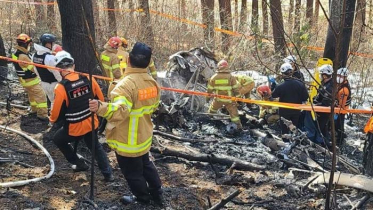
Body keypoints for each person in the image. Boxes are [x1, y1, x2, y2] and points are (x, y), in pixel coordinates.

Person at [89, 42, 163, 205]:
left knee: (133, 173)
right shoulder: (152, 83)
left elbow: (119, 111)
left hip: (128, 140)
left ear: (128, 59)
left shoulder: (125, 85)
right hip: (144, 136)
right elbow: (153, 106)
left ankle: (143, 199)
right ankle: (157, 194)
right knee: (146, 165)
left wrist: (100, 107)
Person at [50, 51, 113, 182]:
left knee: (57, 139)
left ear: (59, 69)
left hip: (74, 128)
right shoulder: (89, 78)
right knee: (96, 148)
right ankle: (108, 174)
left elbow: (55, 115)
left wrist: (52, 119)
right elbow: (100, 99)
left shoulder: (61, 88)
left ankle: (78, 163)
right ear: (73, 65)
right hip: (91, 123)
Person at [11, 34, 48, 121]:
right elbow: (34, 69)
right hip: (31, 81)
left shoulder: (16, 53)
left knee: (32, 96)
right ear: (25, 44)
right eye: (29, 44)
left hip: (24, 81)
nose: (29, 45)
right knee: (41, 97)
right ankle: (42, 115)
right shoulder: (23, 56)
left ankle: (34, 110)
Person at [272, 63, 308, 136]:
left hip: (284, 111)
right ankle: (294, 142)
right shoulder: (300, 84)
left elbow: (273, 95)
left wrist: (273, 86)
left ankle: (285, 143)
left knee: (284, 129)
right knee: (294, 128)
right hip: (296, 110)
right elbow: (305, 97)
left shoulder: (280, 86)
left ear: (282, 74)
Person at [207, 60, 242, 130]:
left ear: (218, 67)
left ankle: (208, 120)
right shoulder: (231, 77)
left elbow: (209, 90)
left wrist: (207, 98)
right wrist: (239, 99)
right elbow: (236, 89)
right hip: (229, 100)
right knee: (234, 115)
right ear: (227, 67)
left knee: (212, 110)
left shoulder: (214, 77)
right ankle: (238, 127)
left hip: (218, 100)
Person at [32, 33, 61, 108]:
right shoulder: (49, 58)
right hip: (54, 84)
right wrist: (62, 83)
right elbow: (56, 73)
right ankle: (55, 118)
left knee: (52, 102)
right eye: (52, 43)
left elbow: (36, 70)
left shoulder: (34, 56)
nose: (54, 45)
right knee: (58, 103)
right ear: (48, 44)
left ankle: (52, 117)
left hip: (44, 83)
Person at [313, 64, 334, 139]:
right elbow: (319, 95)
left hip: (324, 112)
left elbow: (325, 102)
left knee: (322, 128)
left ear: (325, 75)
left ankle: (322, 142)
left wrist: (316, 105)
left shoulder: (330, 86)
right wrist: (314, 100)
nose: (320, 76)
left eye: (321, 74)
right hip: (320, 111)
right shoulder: (324, 83)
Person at [335, 67, 351, 146]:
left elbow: (341, 104)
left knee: (339, 124)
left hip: (341, 110)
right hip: (339, 108)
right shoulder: (341, 85)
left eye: (341, 76)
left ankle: (339, 140)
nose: (339, 78)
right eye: (338, 75)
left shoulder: (344, 89)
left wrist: (337, 112)